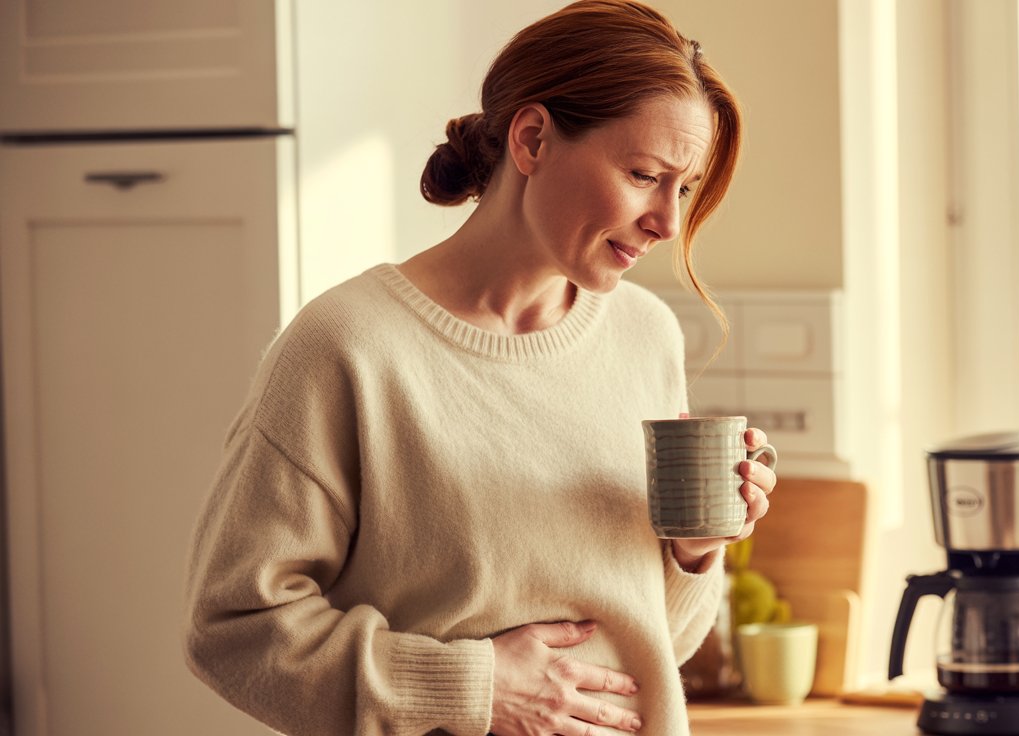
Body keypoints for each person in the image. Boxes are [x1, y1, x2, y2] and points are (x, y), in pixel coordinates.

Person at [183, 1, 777, 734]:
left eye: (682, 189)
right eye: (643, 174)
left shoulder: (645, 335)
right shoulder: (347, 347)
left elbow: (656, 650)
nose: (667, 222)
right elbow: (233, 631)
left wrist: (693, 551)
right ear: (532, 139)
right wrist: (472, 685)